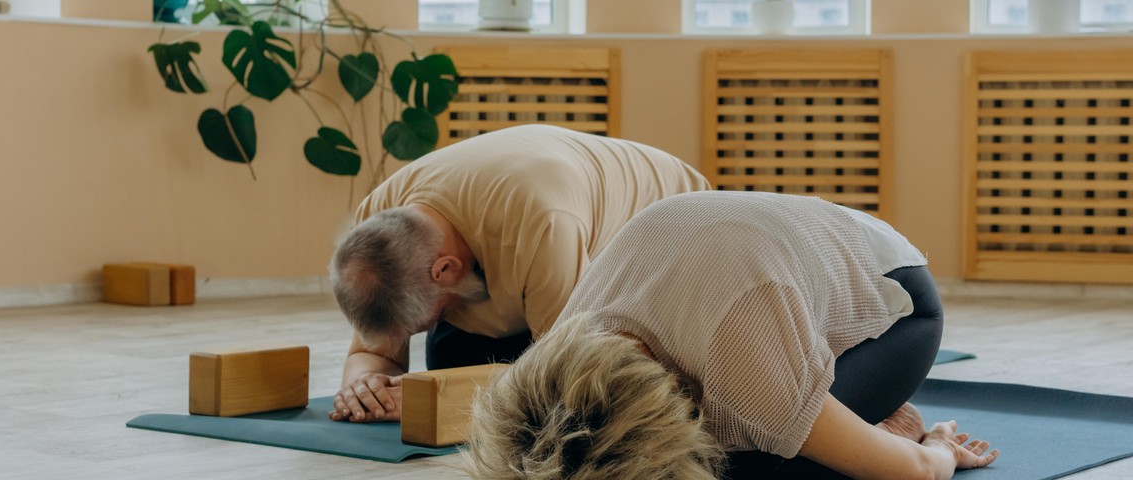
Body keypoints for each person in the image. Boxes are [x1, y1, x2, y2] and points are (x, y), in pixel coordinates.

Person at [464, 191, 1000, 480]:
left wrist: (938, 448)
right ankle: (844, 422)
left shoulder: (743, 375)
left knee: (743, 466)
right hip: (750, 253)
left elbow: (914, 475)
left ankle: (853, 423)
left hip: (897, 295)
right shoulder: (561, 351)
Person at [327, 124, 711, 423]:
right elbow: (372, 349)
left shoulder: (543, 225)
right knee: (449, 362)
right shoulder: (378, 223)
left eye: (424, 320)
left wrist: (437, 394)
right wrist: (362, 385)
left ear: (444, 269)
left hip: (669, 229)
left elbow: (563, 376)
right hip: (522, 234)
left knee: (568, 405)